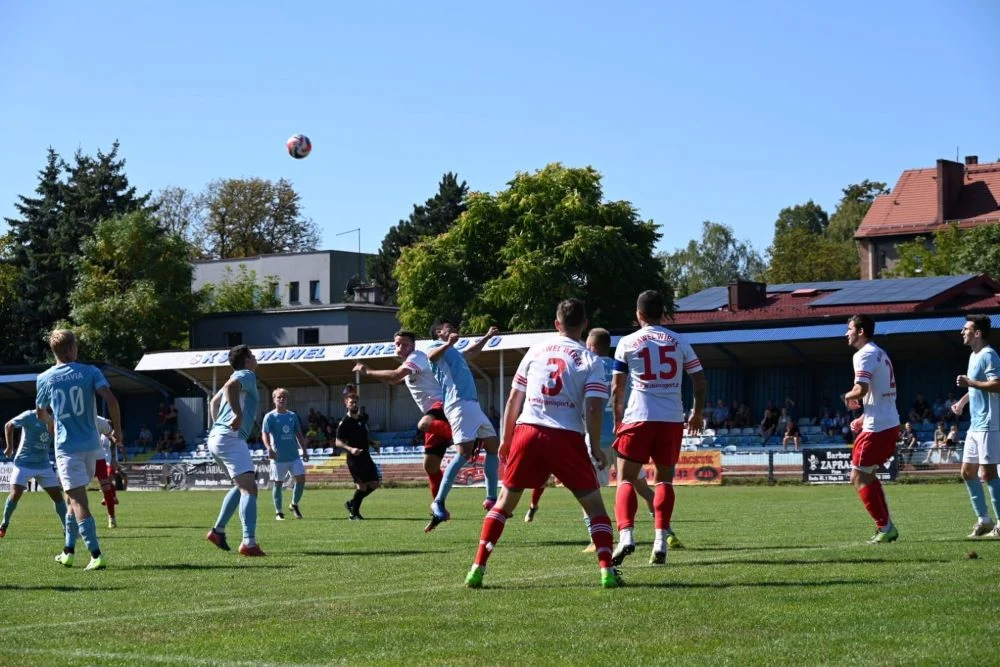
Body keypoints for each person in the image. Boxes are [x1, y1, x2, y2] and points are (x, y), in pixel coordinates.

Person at [463, 299, 623, 589]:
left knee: (503, 504)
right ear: (584, 325)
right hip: (566, 436)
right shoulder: (591, 360)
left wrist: (507, 438)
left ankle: (477, 567)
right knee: (595, 508)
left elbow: (514, 399)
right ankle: (607, 572)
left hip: (528, 431)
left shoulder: (536, 350)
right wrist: (596, 446)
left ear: (556, 324)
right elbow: (595, 407)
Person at [525, 328, 663, 551]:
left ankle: (593, 538)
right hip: (622, 435)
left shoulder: (586, 365)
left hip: (596, 437)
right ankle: (664, 529)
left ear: (590, 346)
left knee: (588, 490)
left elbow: (589, 405)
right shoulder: (621, 367)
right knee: (641, 486)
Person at [610, 290, 707, 567]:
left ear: (638, 315)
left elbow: (617, 387)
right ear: (663, 314)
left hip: (638, 416)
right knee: (664, 479)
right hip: (672, 418)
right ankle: (660, 541)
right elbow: (699, 381)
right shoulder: (679, 341)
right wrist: (696, 413)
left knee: (626, 479)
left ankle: (627, 535)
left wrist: (618, 418)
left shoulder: (627, 342)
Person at [35, 329, 121, 571]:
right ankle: (68, 551)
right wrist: (120, 432)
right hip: (92, 447)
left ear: (55, 352)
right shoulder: (91, 372)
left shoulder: (45, 378)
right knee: (70, 497)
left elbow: (40, 412)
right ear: (73, 348)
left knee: (79, 500)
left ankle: (96, 554)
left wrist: (51, 423)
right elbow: (111, 400)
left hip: (67, 448)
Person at [353, 330, 454, 502]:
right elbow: (397, 379)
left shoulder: (416, 357)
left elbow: (395, 376)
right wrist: (389, 377)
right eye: (398, 344)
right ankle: (439, 507)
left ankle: (464, 436)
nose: (400, 347)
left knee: (423, 424)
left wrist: (368, 371)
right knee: (430, 466)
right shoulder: (412, 363)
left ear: (413, 346)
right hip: (434, 412)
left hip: (441, 406)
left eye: (405, 344)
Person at [423, 321, 501, 532]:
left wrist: (486, 337)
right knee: (464, 453)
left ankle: (491, 498)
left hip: (472, 405)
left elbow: (472, 352)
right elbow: (431, 357)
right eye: (447, 327)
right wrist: (448, 343)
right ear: (439, 332)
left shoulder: (455, 352)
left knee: (494, 446)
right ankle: (438, 501)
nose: (452, 328)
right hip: (457, 404)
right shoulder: (434, 346)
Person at [842, 314, 901, 543]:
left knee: (858, 476)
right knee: (867, 475)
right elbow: (879, 392)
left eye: (850, 329)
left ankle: (885, 528)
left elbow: (862, 389)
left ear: (861, 331)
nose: (847, 333)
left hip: (878, 428)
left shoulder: (863, 354)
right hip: (886, 422)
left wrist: (847, 396)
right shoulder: (879, 352)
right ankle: (886, 526)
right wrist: (864, 416)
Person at [205, 344, 265, 557]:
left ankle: (218, 531)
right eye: (253, 355)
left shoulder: (235, 375)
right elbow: (231, 388)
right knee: (250, 489)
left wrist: (218, 427)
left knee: (243, 485)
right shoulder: (246, 374)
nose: (256, 358)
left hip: (216, 438)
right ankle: (249, 543)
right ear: (247, 360)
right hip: (230, 438)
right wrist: (238, 416)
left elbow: (213, 402)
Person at [952, 314, 1000, 538]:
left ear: (977, 333)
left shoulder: (989, 355)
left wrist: (970, 382)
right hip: (975, 424)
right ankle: (984, 520)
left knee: (988, 474)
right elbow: (976, 389)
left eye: (966, 329)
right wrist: (962, 402)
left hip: (990, 424)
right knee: (967, 472)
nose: (962, 332)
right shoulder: (974, 355)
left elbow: (997, 385)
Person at [1, 408, 66, 539]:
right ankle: (4, 524)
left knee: (58, 497)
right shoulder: (29, 415)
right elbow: (9, 425)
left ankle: (67, 528)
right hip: (23, 463)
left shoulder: (57, 417)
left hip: (43, 464)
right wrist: (10, 447)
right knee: (15, 494)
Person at [261, 388, 309, 521]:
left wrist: (304, 450)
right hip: (278, 457)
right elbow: (264, 434)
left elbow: (298, 434)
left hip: (294, 456)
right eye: (279, 397)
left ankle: (294, 504)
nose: (282, 399)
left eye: (284, 397)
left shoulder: (292, 416)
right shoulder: (270, 417)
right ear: (274, 399)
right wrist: (268, 448)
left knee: (301, 479)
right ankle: (279, 512)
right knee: (278, 483)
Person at [336, 394, 381, 519]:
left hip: (366, 457)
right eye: (351, 402)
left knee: (375, 483)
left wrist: (373, 444)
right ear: (346, 403)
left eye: (355, 402)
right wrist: (351, 449)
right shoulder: (344, 422)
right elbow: (337, 442)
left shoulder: (361, 419)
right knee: (361, 486)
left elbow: (364, 437)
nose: (354, 404)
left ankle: (352, 503)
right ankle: (353, 514)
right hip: (354, 459)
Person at [94, 416, 120, 528]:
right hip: (91, 459)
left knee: (108, 479)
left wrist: (114, 459)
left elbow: (115, 445)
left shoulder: (108, 433)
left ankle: (111, 517)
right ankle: (113, 496)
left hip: (107, 460)